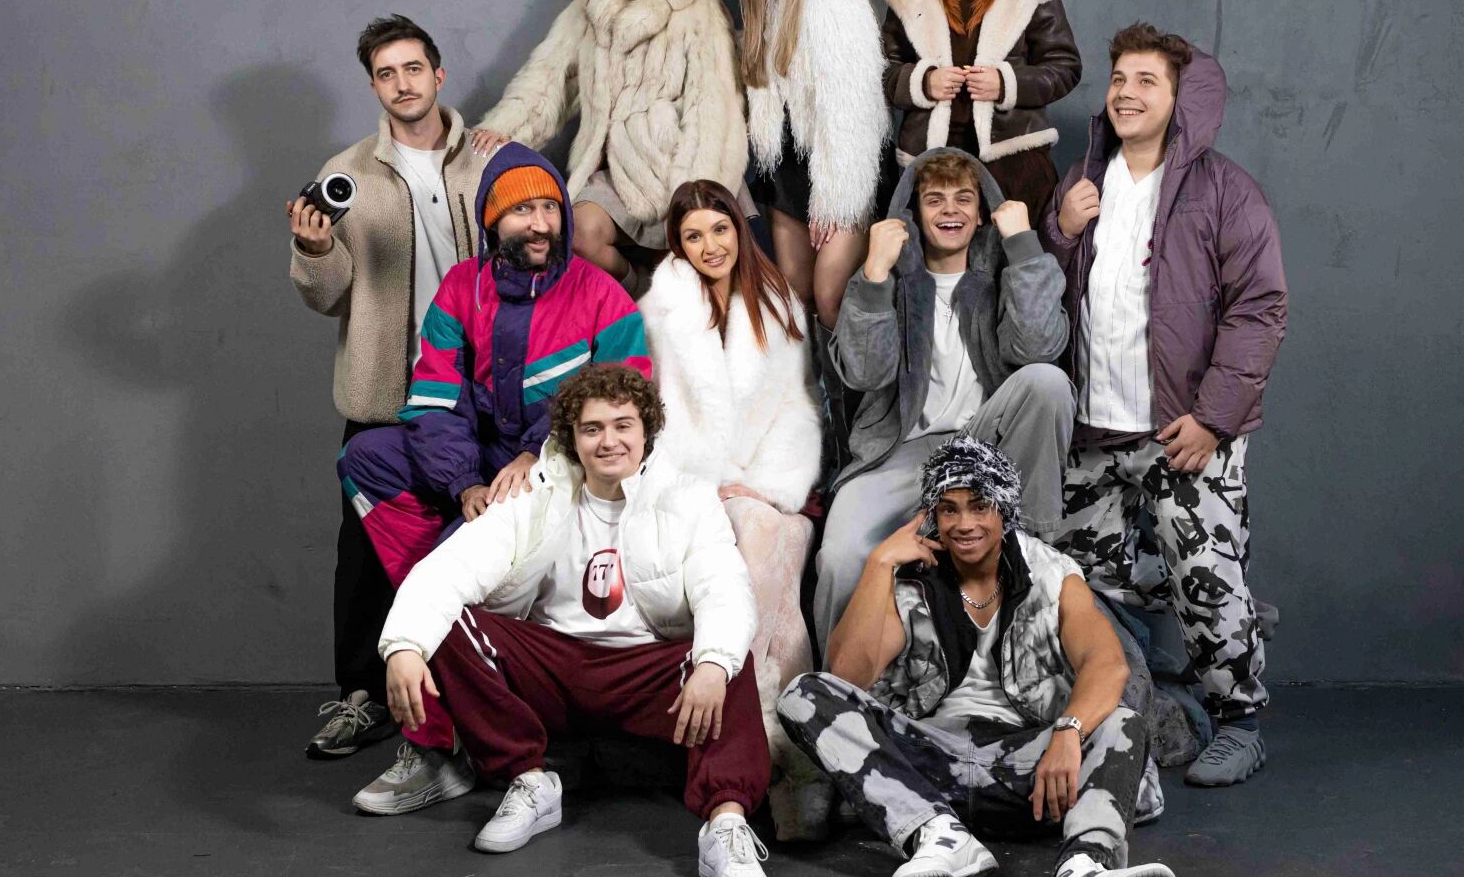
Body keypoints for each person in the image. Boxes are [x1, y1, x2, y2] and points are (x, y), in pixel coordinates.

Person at [336, 143, 651, 805]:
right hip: (481, 464)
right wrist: (464, 485)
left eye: (549, 209)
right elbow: (433, 399)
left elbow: (621, 415)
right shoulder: (462, 287)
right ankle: (439, 565)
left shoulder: (602, 296)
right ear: (491, 221)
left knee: (456, 564)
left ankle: (436, 747)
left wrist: (538, 454)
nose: (539, 224)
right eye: (521, 211)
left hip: (560, 469)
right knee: (365, 457)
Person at [371, 365, 772, 875]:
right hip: (553, 667)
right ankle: (529, 782)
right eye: (592, 428)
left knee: (729, 660)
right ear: (572, 437)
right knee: (447, 624)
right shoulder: (537, 494)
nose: (609, 441)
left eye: (623, 425)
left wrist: (713, 664)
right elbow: (455, 564)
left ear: (646, 431)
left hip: (643, 671)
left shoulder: (686, 497)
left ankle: (725, 826)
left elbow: (724, 586)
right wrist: (405, 645)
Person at [1045, 24, 1288, 788]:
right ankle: (1201, 616)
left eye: (1146, 80)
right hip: (1094, 428)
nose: (1126, 92)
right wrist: (1060, 232)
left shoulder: (1224, 191)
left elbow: (1260, 308)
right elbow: (1041, 297)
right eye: (1119, 78)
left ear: (1181, 99)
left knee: (1203, 569)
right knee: (1081, 575)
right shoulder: (1082, 184)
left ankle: (1240, 722)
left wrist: (1215, 417)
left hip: (1187, 427)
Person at [780, 436, 1174, 877]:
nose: (964, 524)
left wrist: (1068, 731)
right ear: (933, 516)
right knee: (804, 693)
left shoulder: (1051, 573)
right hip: (926, 767)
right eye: (949, 510)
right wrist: (879, 565)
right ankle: (940, 837)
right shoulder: (912, 579)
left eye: (979, 506)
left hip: (1027, 768)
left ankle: (1086, 863)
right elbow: (848, 676)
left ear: (1004, 511)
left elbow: (1107, 663)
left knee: (1121, 721)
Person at [289, 14, 493, 760]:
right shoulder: (347, 171)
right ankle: (362, 698)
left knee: (481, 545)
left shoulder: (489, 162)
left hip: (477, 392)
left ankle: (481, 698)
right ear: (373, 86)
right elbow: (327, 296)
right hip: (386, 392)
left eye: (413, 68)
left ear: (439, 74)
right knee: (366, 557)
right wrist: (313, 249)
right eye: (386, 73)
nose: (402, 84)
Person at [812, 148, 1072, 647]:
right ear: (913, 215)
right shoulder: (886, 277)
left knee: (1047, 381)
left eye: (963, 198)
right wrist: (874, 273)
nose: (950, 210)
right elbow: (864, 373)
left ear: (981, 213)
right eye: (934, 200)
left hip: (985, 442)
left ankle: (1030, 542)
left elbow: (1039, 349)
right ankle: (835, 684)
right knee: (841, 557)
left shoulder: (1004, 270)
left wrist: (1022, 245)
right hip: (901, 450)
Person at [637, 179, 825, 838]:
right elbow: (655, 421)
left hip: (769, 485)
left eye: (719, 229)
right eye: (693, 236)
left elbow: (797, 410)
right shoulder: (662, 311)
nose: (710, 246)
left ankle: (766, 742)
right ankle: (789, 757)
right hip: (686, 486)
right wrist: (711, 483)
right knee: (760, 547)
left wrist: (764, 485)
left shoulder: (776, 304)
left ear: (738, 230)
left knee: (769, 533)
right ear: (678, 245)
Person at [470, 0, 748, 296]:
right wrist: (506, 126)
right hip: (611, 171)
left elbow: (714, 111)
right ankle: (639, 294)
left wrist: (697, 193)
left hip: (679, 166)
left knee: (693, 272)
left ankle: (668, 299)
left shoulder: (700, 8)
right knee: (578, 234)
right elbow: (554, 71)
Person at [879, 0, 1081, 224]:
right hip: (931, 166)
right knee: (927, 261)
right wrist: (923, 82)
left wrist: (1005, 84)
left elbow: (1064, 67)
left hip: (1014, 163)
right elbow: (881, 71)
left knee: (1016, 260)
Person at [737, 0, 891, 329]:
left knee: (831, 295)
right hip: (786, 170)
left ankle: (862, 381)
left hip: (842, 167)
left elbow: (853, 114)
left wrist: (835, 200)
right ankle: (813, 381)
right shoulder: (764, 4)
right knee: (795, 300)